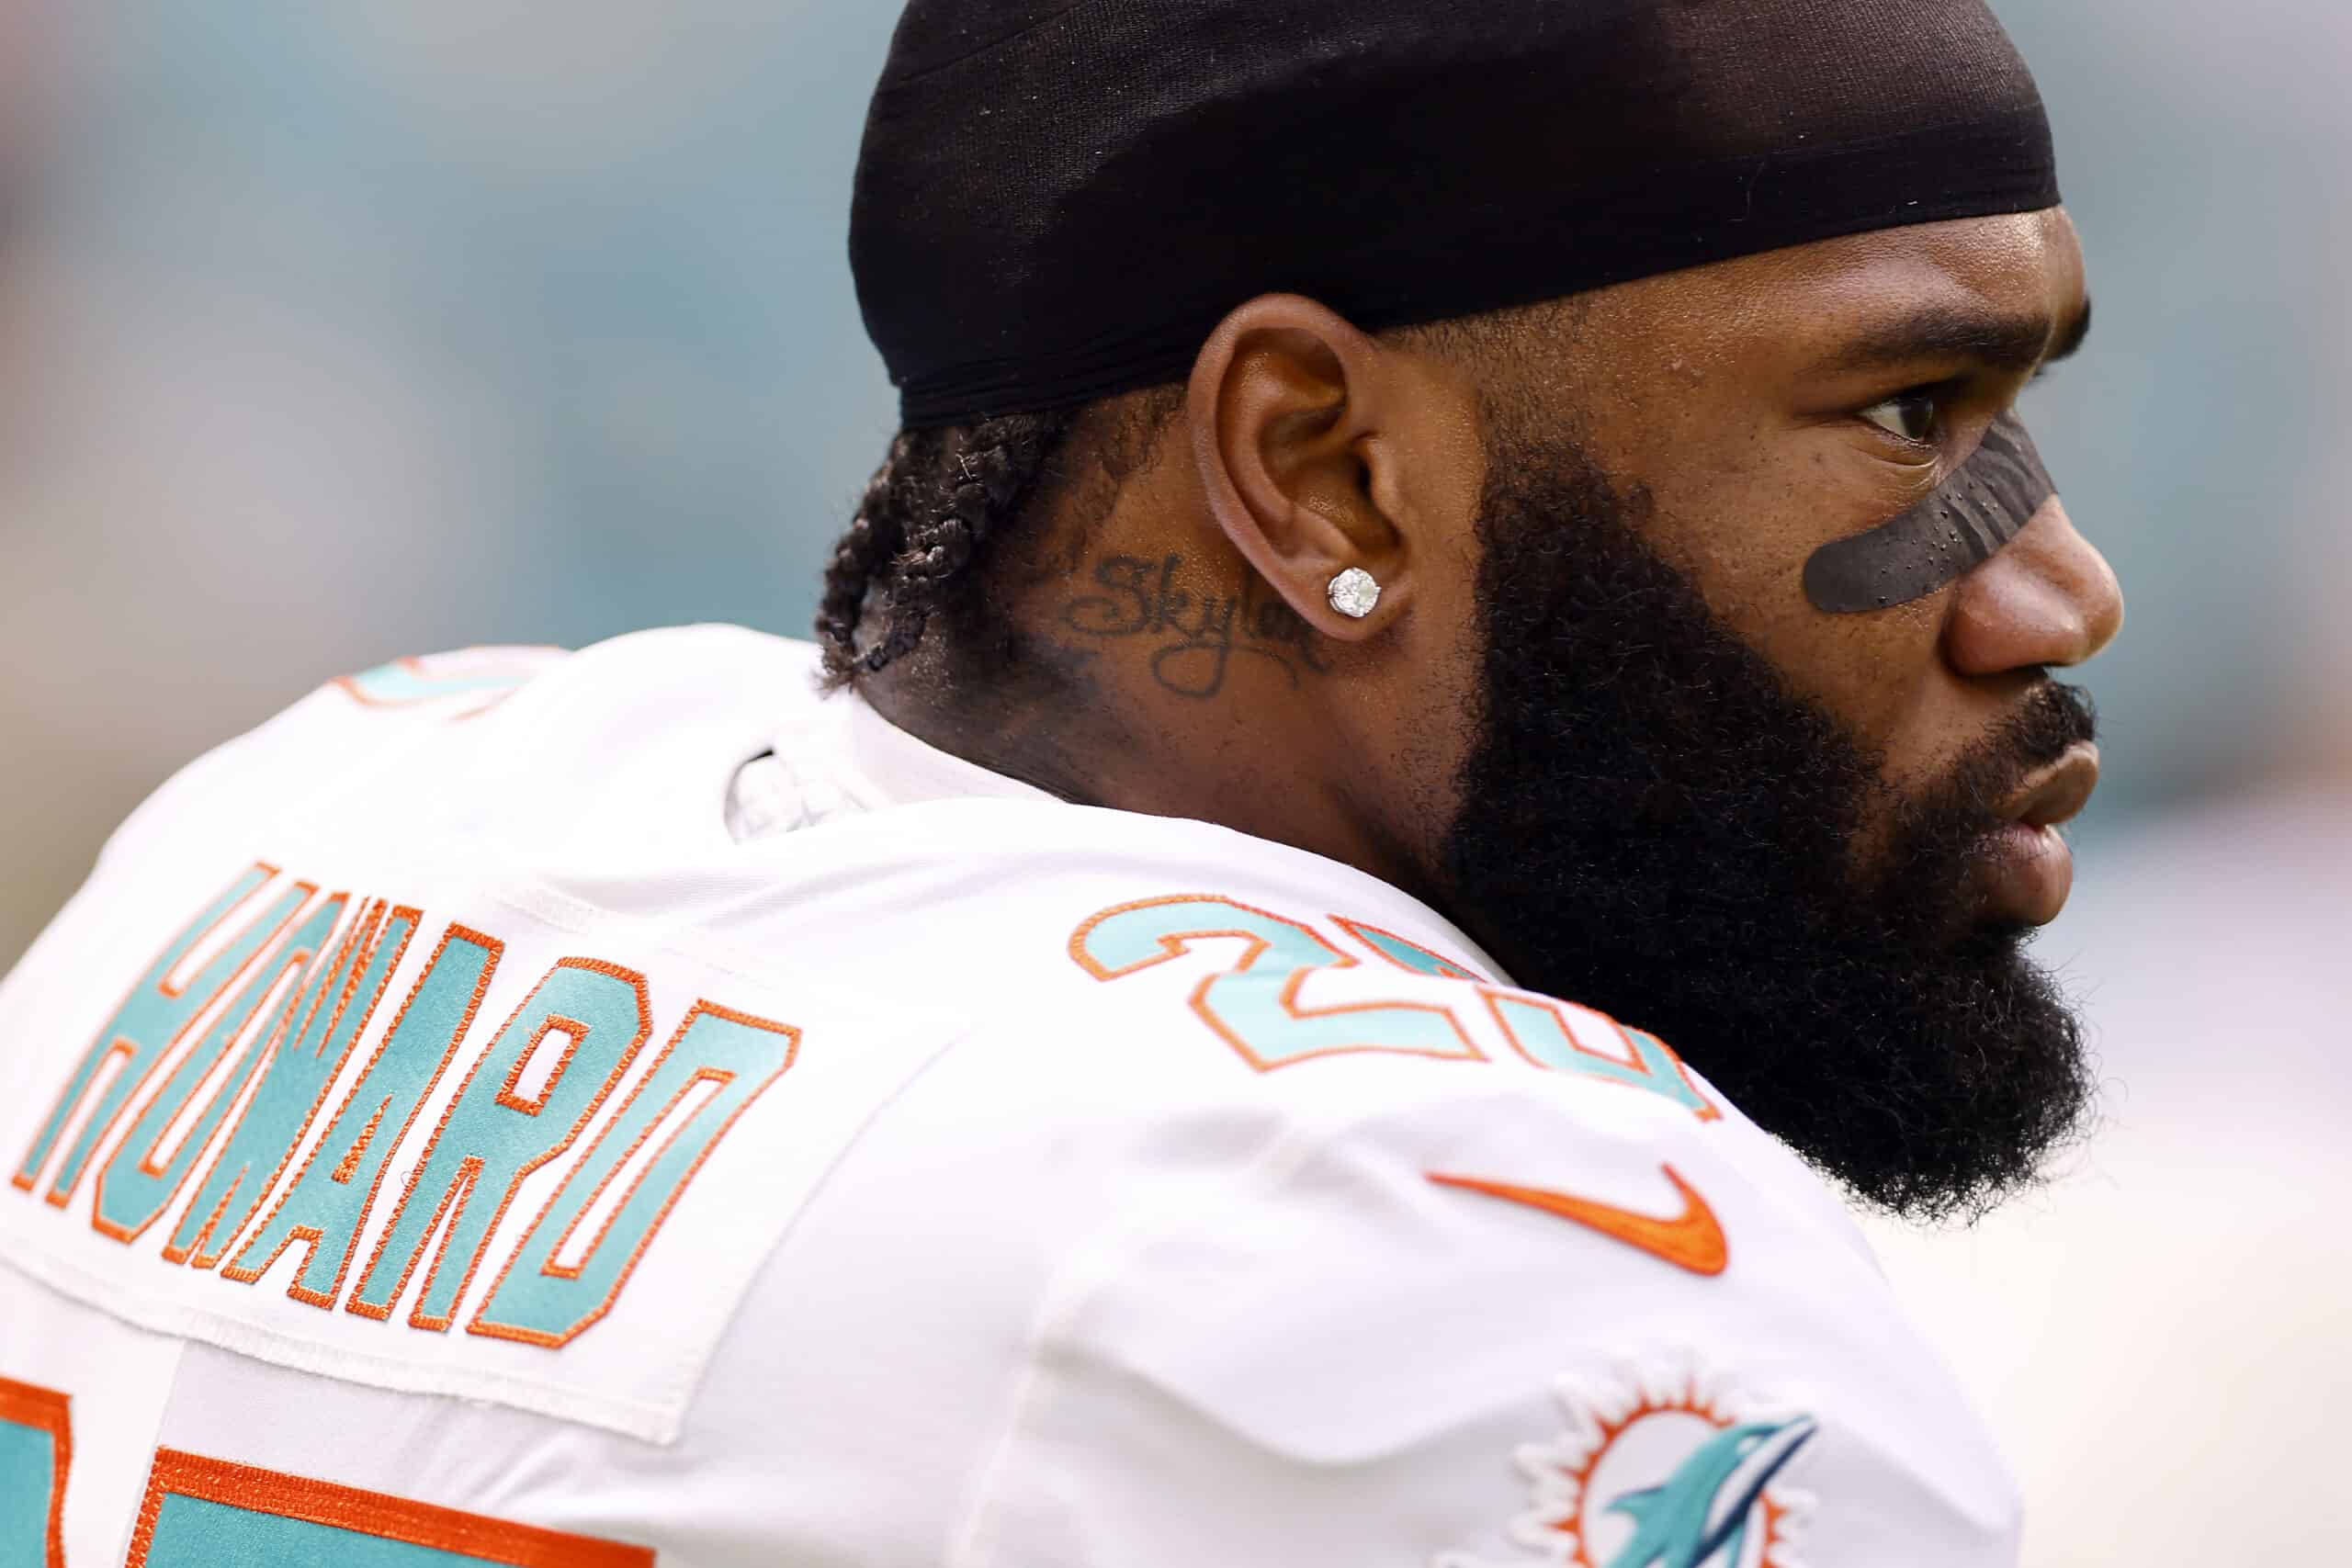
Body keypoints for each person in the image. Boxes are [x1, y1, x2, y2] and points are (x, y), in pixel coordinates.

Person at [0, 2, 2123, 1563]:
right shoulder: (1469, 1255)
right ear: (1318, 467)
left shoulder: (335, 804)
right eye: (1907, 410)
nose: (2053, 589)